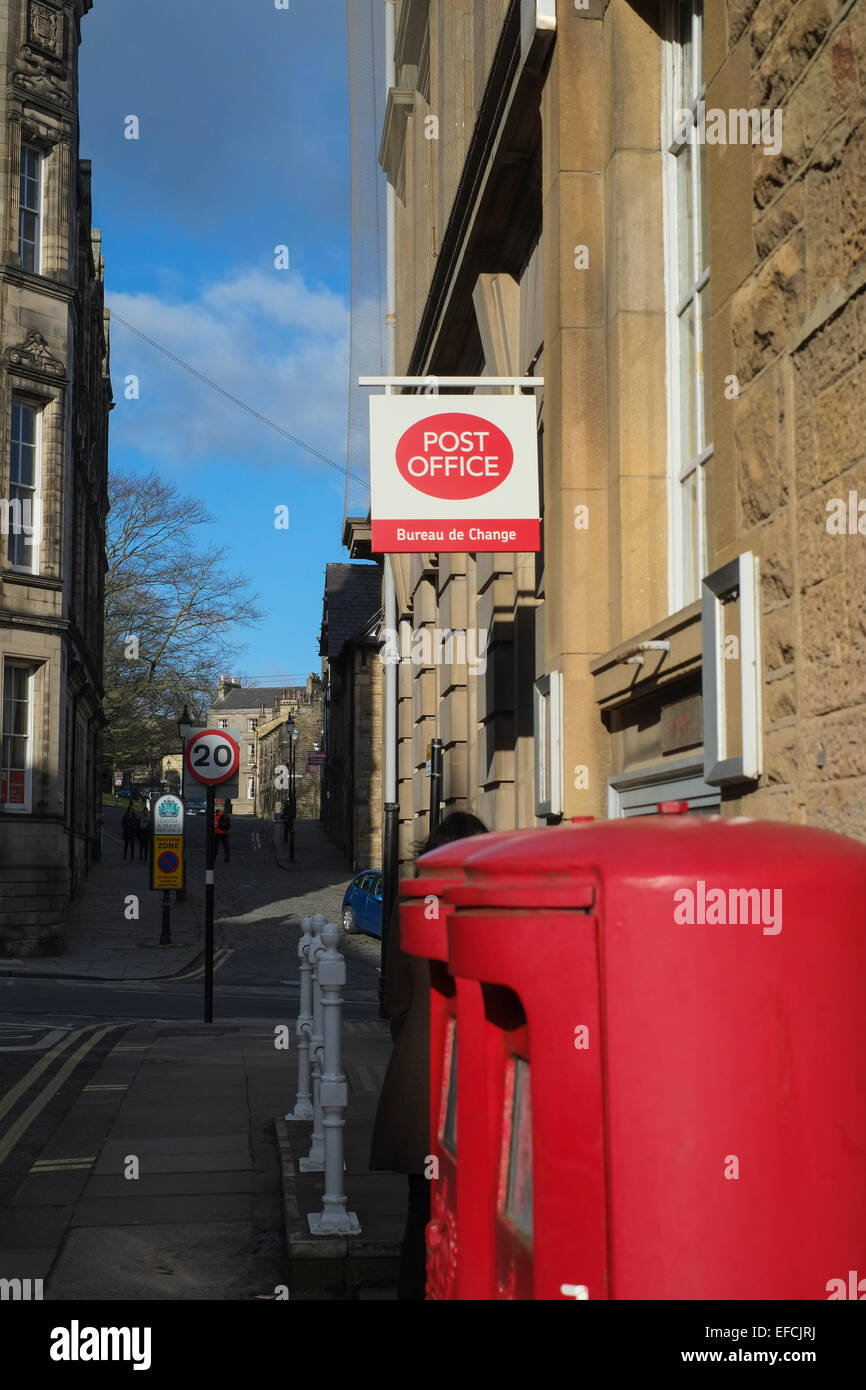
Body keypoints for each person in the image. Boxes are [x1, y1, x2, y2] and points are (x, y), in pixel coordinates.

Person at [369, 810, 488, 1300]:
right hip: (482, 1082)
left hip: (423, 1082)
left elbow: (396, 1001)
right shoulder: (489, 900)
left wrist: (417, 1043)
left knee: (422, 1211)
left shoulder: (413, 901)